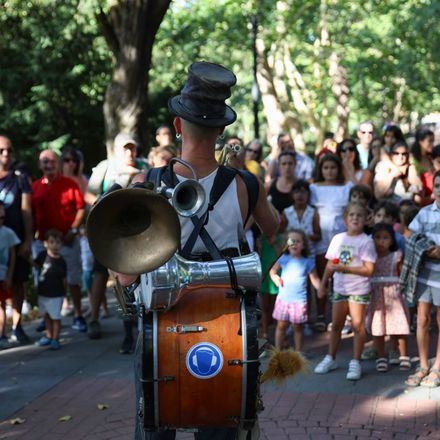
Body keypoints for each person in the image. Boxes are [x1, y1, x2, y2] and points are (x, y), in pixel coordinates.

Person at [111, 62, 279, 439]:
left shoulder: (147, 183)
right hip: (228, 322)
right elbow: (275, 231)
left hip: (162, 319)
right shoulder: (246, 185)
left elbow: (125, 272)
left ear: (177, 126)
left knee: (155, 422)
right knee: (224, 421)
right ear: (222, 129)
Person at [86, 133, 148, 350]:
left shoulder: (144, 166)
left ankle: (135, 331)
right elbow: (89, 196)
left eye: (132, 148)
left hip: (135, 231)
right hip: (108, 230)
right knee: (101, 276)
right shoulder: (106, 167)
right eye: (125, 148)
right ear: (116, 150)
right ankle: (94, 318)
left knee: (131, 282)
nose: (130, 152)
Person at [314, 201, 377, 380]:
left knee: (357, 326)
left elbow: (369, 270)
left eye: (359, 215)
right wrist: (323, 283)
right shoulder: (338, 239)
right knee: (336, 325)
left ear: (366, 220)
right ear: (345, 219)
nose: (355, 218)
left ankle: (355, 362)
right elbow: (330, 263)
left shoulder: (366, 241)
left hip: (358, 289)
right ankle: (330, 357)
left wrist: (345, 269)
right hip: (340, 288)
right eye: (352, 215)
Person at [32, 150, 86, 332]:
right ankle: (46, 318)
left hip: (66, 241)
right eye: (44, 161)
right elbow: (30, 214)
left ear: (58, 163)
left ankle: (78, 315)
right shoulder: (35, 187)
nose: (49, 164)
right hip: (42, 243)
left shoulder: (70, 184)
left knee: (73, 279)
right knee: (43, 280)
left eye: (52, 161)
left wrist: (73, 230)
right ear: (40, 165)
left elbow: (81, 209)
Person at [404, 170, 440, 388]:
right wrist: (426, 248)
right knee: (422, 319)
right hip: (425, 274)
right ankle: (424, 365)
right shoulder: (425, 213)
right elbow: (410, 235)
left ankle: (437, 368)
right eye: (437, 185)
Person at [310, 154, 353, 331]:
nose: (329, 171)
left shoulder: (345, 188)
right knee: (322, 276)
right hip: (321, 239)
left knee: (341, 277)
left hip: (341, 239)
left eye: (333, 168)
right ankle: (321, 314)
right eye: (326, 168)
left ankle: (344, 317)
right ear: (321, 169)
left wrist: (347, 163)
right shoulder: (313, 188)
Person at [0, 135, 33, 344]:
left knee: (18, 282)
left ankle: (18, 325)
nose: (6, 154)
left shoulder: (20, 176)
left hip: (17, 238)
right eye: (1, 150)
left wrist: (28, 239)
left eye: (9, 150)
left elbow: (26, 209)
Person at [366, 223, 410, 372]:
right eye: (377, 237)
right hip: (377, 296)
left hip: (393, 296)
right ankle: (381, 357)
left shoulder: (396, 256)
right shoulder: (370, 258)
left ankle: (403, 355)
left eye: (385, 238)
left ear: (392, 240)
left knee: (398, 326)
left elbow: (401, 275)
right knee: (378, 328)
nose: (381, 241)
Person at [270, 230, 320, 352]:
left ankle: (298, 352)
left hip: (299, 301)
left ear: (303, 245)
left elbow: (315, 279)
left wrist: (321, 288)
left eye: (298, 241)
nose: (295, 244)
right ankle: (278, 351)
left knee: (298, 328)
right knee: (281, 326)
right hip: (283, 300)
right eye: (291, 241)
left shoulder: (307, 262)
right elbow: (273, 271)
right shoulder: (283, 259)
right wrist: (275, 278)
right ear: (286, 244)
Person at [34, 229, 67, 350]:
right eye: (51, 242)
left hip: (56, 294)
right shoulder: (42, 256)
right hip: (43, 293)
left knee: (56, 318)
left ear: (61, 244)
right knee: (46, 316)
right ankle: (48, 335)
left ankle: (55, 338)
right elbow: (35, 265)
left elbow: (64, 279)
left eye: (57, 242)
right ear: (45, 243)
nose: (54, 245)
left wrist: (64, 293)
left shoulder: (61, 261)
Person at [0, 201, 20, 349]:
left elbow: (13, 255)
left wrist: (9, 275)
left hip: (2, 275)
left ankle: (2, 334)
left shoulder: (8, 232)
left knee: (1, 306)